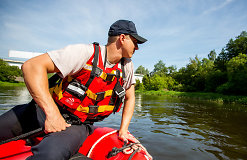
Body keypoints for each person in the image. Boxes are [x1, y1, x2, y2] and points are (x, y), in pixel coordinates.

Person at [0, 19, 147, 159]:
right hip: (43, 111)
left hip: (77, 124)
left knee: (50, 155)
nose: (138, 47)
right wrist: (52, 115)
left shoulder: (127, 66)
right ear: (122, 38)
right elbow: (32, 66)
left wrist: (123, 129)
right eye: (135, 42)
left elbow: (130, 97)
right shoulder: (85, 52)